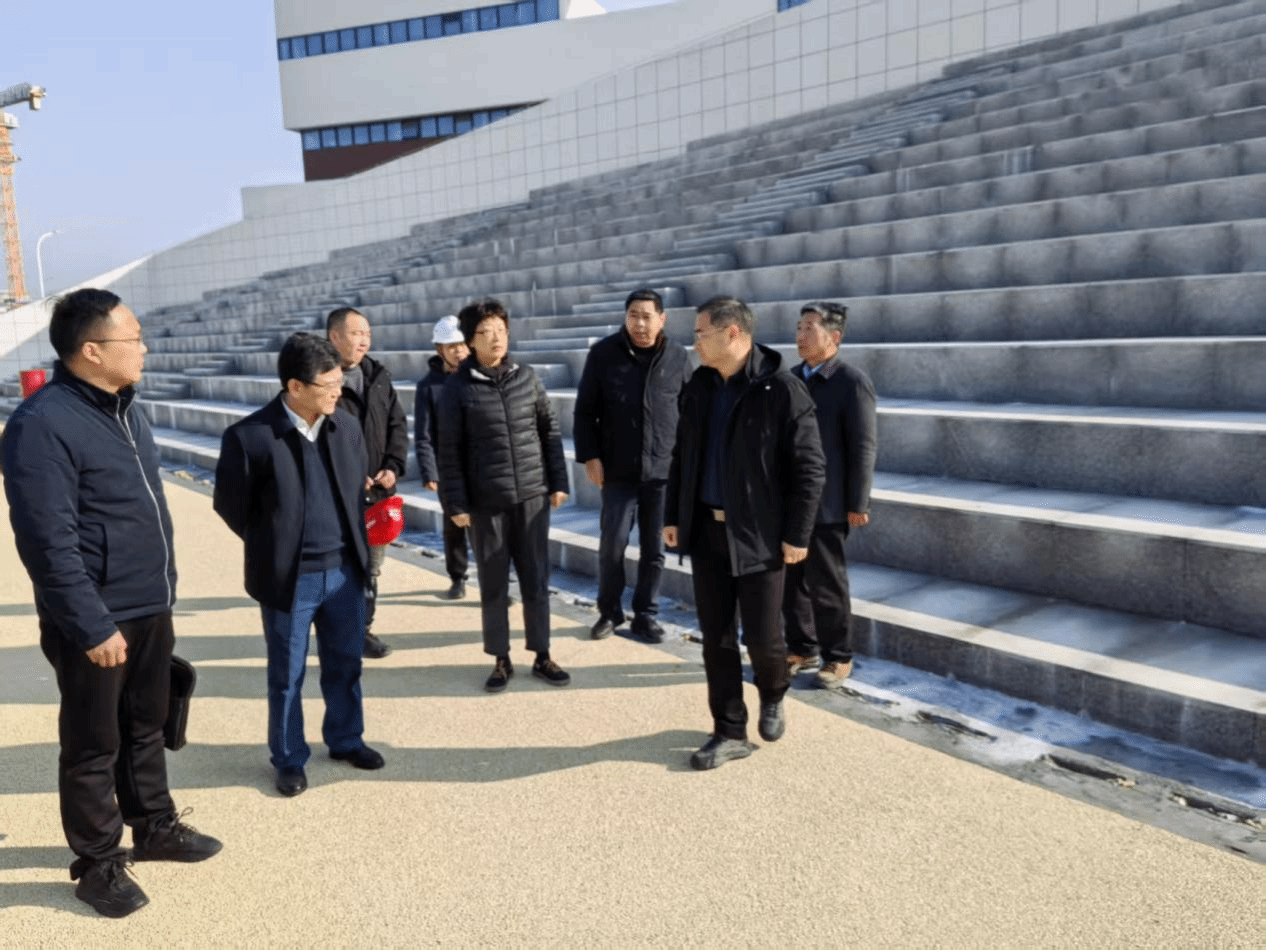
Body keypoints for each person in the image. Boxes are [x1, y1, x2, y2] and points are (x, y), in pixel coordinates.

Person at [2, 288, 221, 918]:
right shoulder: (42, 424)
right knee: (93, 742)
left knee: (147, 724)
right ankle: (97, 862)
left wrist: (164, 589)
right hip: (96, 615)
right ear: (92, 351)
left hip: (149, 602)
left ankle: (153, 825)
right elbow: (47, 540)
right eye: (134, 339)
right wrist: (91, 623)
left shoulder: (127, 410)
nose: (145, 348)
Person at [214, 333, 384, 798]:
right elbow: (231, 506)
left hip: (345, 571)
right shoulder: (250, 437)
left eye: (340, 381)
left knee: (345, 663)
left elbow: (355, 490)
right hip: (290, 578)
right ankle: (289, 758)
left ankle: (346, 739)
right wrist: (276, 544)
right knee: (287, 674)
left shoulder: (346, 427)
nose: (338, 392)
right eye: (329, 384)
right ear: (295, 386)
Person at [664, 296, 825, 771]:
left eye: (701, 333)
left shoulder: (782, 390)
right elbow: (681, 455)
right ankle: (729, 730)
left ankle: (773, 691)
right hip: (706, 532)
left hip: (759, 536)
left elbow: (810, 468)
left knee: (763, 637)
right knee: (715, 638)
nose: (694, 342)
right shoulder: (699, 386)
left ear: (732, 333)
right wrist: (674, 515)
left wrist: (798, 534)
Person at [437, 298, 571, 693]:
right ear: (470, 340)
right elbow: (449, 451)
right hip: (486, 502)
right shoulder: (457, 389)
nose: (496, 338)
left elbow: (548, 431)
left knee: (536, 579)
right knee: (494, 583)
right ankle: (500, 658)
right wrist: (456, 503)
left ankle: (542, 654)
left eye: (501, 330)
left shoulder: (526, 377)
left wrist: (558, 482)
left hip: (531, 495)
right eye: (485, 332)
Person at [574, 289, 691, 643]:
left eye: (646, 316)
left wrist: (685, 466)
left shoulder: (677, 357)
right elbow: (585, 410)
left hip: (662, 472)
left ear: (662, 319)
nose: (639, 324)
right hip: (617, 470)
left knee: (655, 551)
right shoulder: (604, 354)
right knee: (612, 545)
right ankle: (609, 612)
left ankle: (646, 615)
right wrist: (590, 456)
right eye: (633, 316)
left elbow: (688, 413)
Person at [783, 302, 878, 688]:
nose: (801, 335)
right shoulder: (790, 379)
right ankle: (801, 648)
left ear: (834, 337)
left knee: (827, 582)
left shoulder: (851, 381)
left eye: (810, 328)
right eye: (799, 327)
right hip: (790, 498)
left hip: (829, 502)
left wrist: (858, 501)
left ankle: (838, 656)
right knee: (791, 580)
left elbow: (863, 445)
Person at [327, 306, 409, 659]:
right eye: (356, 333)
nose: (363, 341)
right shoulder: (319, 379)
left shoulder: (378, 376)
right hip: (336, 496)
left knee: (371, 567)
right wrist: (347, 472)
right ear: (334, 337)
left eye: (367, 334)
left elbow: (397, 425)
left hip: (376, 493)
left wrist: (393, 466)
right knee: (340, 566)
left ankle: (362, 630)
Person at [413, 315, 471, 600]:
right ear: (440, 350)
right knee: (454, 524)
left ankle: (494, 582)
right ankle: (458, 577)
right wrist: (429, 471)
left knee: (487, 527)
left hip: (481, 462)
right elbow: (422, 433)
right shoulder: (428, 386)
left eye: (462, 345)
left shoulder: (479, 376)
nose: (459, 352)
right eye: (451, 347)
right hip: (447, 467)